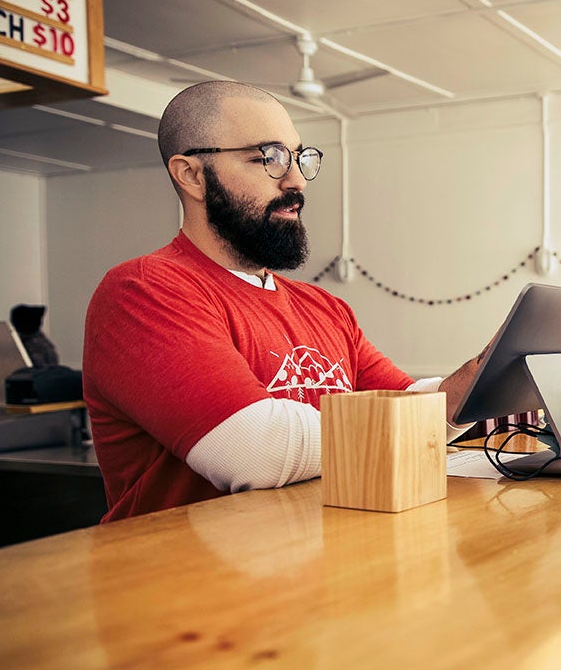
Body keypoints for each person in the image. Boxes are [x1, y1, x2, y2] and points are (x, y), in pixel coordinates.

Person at [83, 81, 489, 522]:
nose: (295, 180)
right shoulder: (143, 291)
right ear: (192, 175)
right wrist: (420, 422)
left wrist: (472, 383)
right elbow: (257, 453)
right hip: (188, 582)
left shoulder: (324, 307)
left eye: (299, 158)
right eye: (268, 158)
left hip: (318, 564)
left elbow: (403, 402)